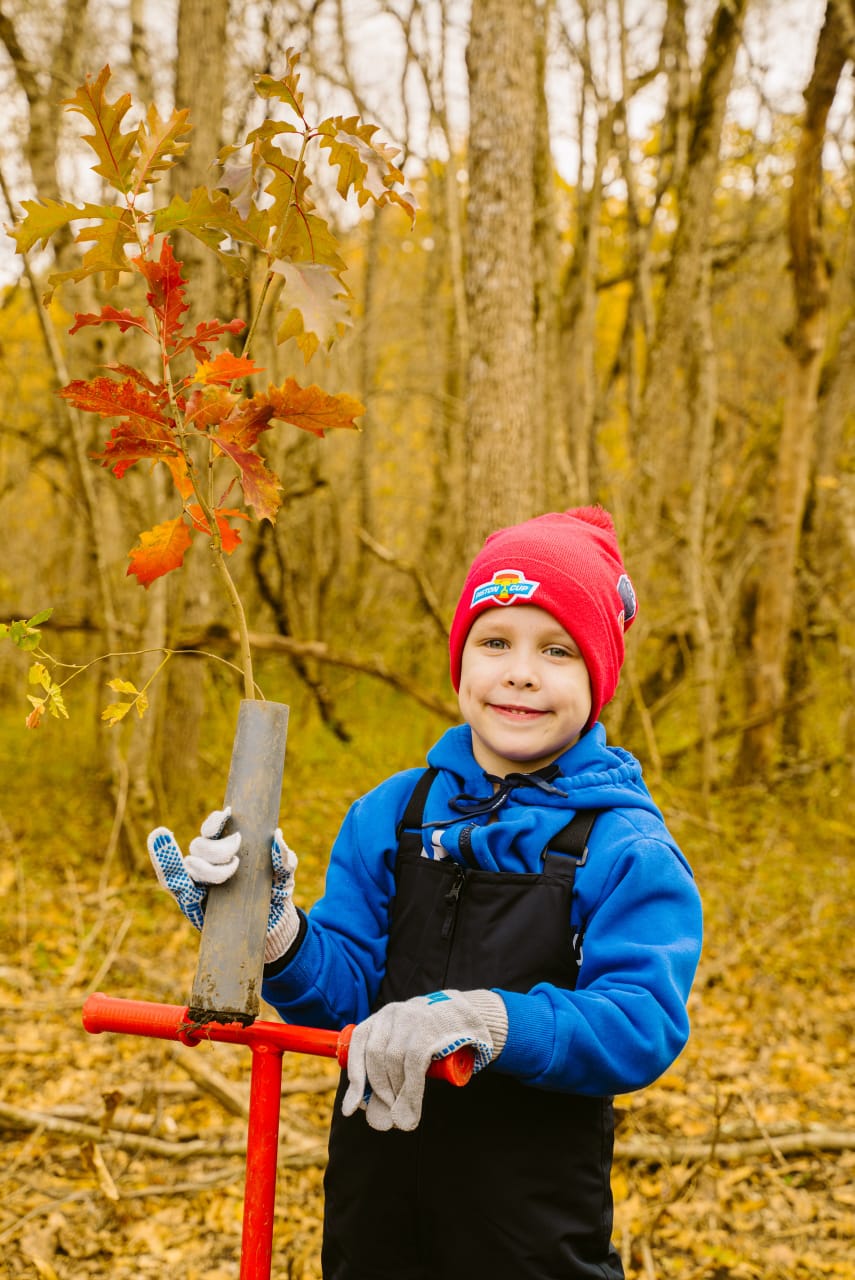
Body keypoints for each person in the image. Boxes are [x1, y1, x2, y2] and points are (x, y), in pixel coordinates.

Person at [148, 505, 703, 1280]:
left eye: (557, 651)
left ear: (599, 678)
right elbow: (343, 994)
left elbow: (639, 1024)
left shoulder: (622, 848)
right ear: (460, 658)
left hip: (529, 1238)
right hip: (373, 1220)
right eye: (495, 642)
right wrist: (273, 933)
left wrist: (490, 1019)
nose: (519, 671)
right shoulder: (391, 814)